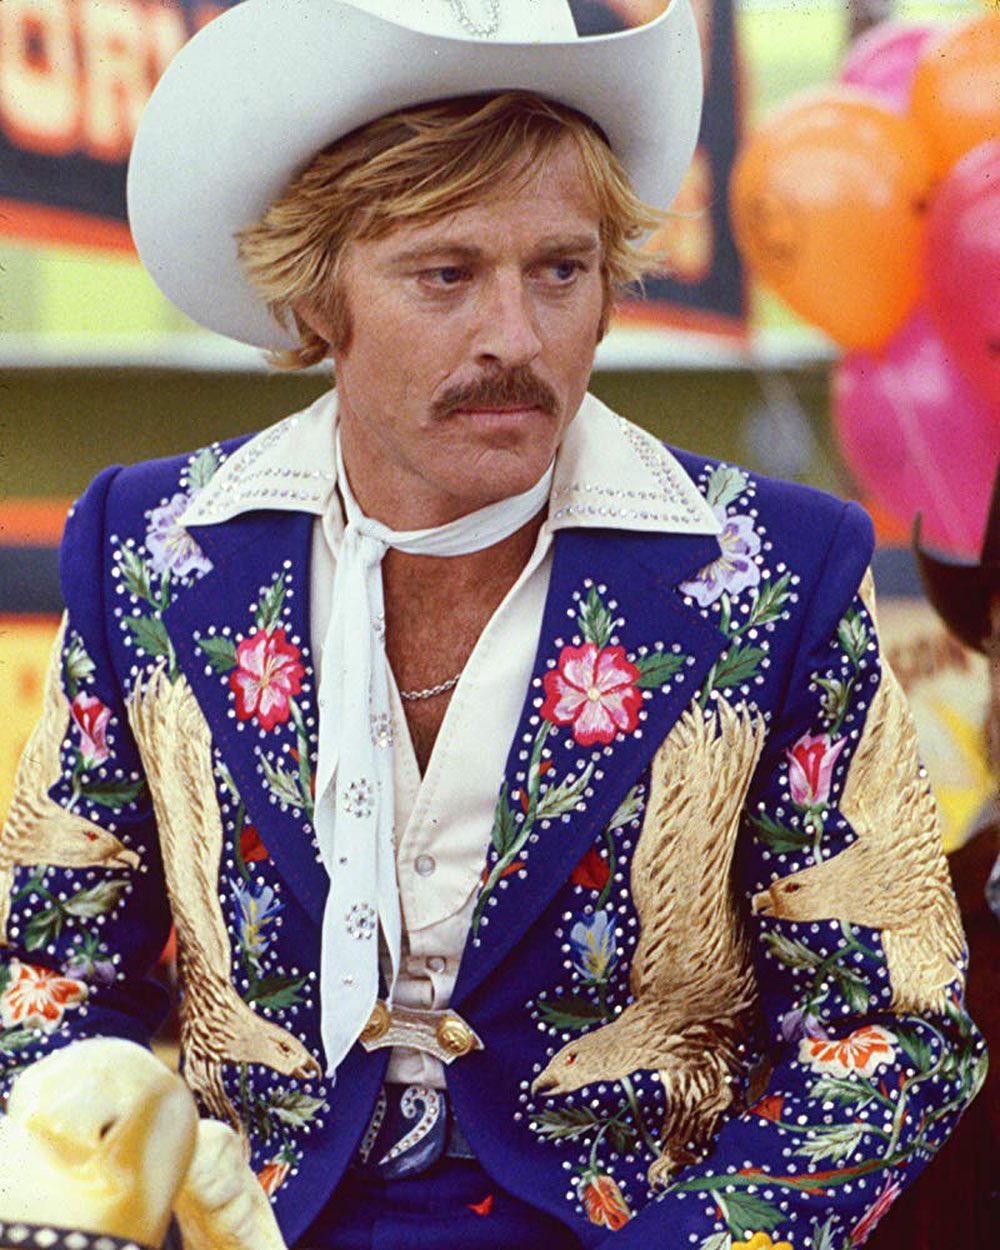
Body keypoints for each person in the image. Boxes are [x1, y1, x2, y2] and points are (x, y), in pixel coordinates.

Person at [0, 3, 985, 1248]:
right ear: (319, 293)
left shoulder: (775, 569)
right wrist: (93, 1194)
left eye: (560, 270)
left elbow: (889, 1024)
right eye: (446, 274)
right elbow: (46, 972)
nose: (515, 338)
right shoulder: (150, 548)